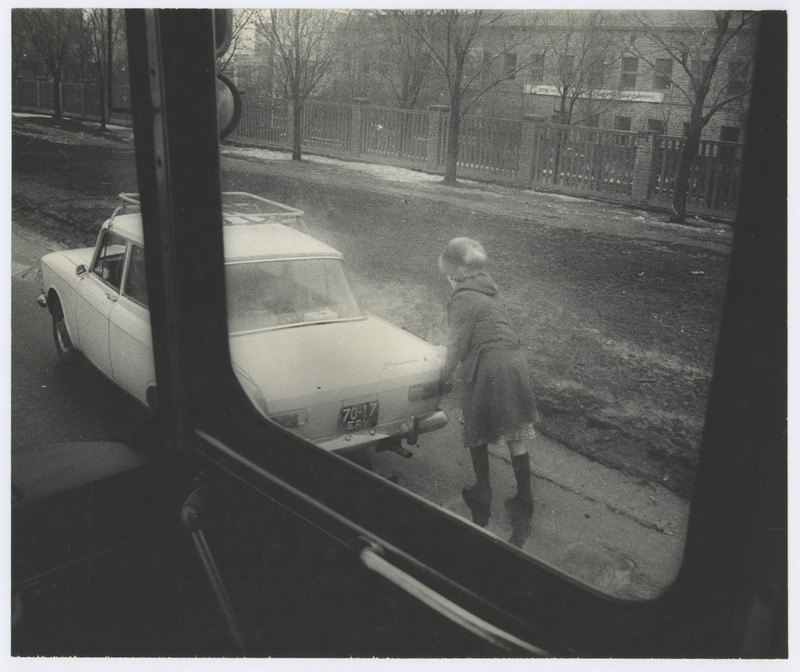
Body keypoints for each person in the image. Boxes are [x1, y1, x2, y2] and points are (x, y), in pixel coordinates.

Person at [439, 237, 539, 527]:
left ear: (455, 274)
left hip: (489, 366)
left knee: (477, 426)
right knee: (516, 431)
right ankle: (525, 498)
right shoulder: (489, 290)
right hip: (514, 362)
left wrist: (442, 374)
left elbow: (456, 345)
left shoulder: (464, 297)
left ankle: (482, 491)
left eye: (448, 277)